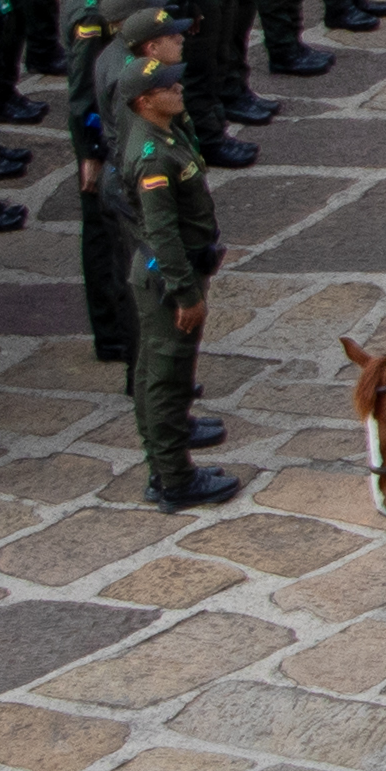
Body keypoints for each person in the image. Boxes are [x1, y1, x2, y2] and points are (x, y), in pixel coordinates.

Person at [119, 53, 239, 512]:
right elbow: (162, 232)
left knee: (160, 374)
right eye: (169, 88)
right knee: (165, 380)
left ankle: (166, 470)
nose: (179, 90)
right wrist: (186, 293)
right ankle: (174, 479)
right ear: (146, 101)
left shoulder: (164, 133)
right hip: (170, 279)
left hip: (174, 271)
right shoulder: (152, 157)